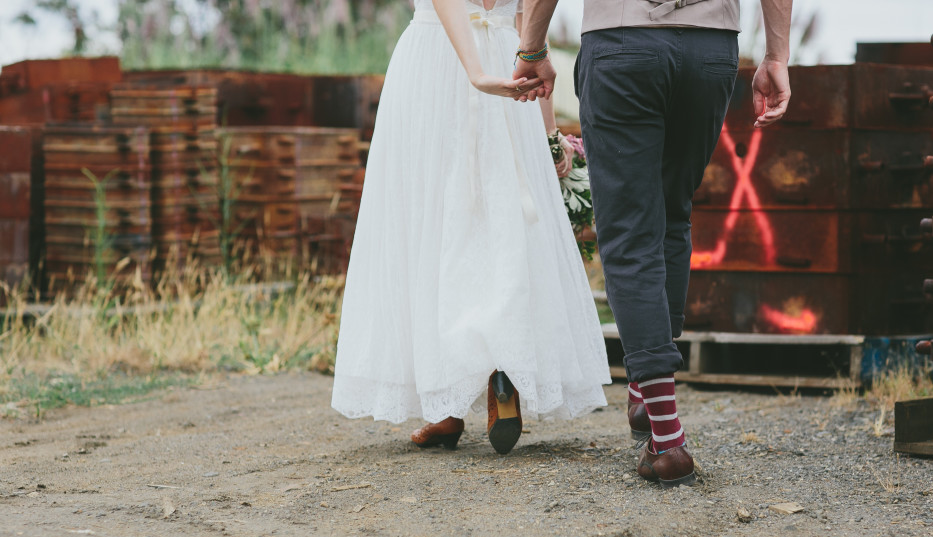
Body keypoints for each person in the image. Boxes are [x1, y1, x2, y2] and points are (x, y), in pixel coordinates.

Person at [514, 0, 793, 486]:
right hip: (711, 48)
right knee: (670, 214)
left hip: (622, 42)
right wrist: (776, 56)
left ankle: (667, 438)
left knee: (628, 230)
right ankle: (647, 391)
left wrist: (532, 47)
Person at [331, 0, 611, 455]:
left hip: (439, 60)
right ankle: (502, 373)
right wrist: (547, 134)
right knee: (505, 221)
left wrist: (477, 73)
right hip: (512, 58)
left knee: (433, 220)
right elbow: (529, 17)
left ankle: (445, 404)